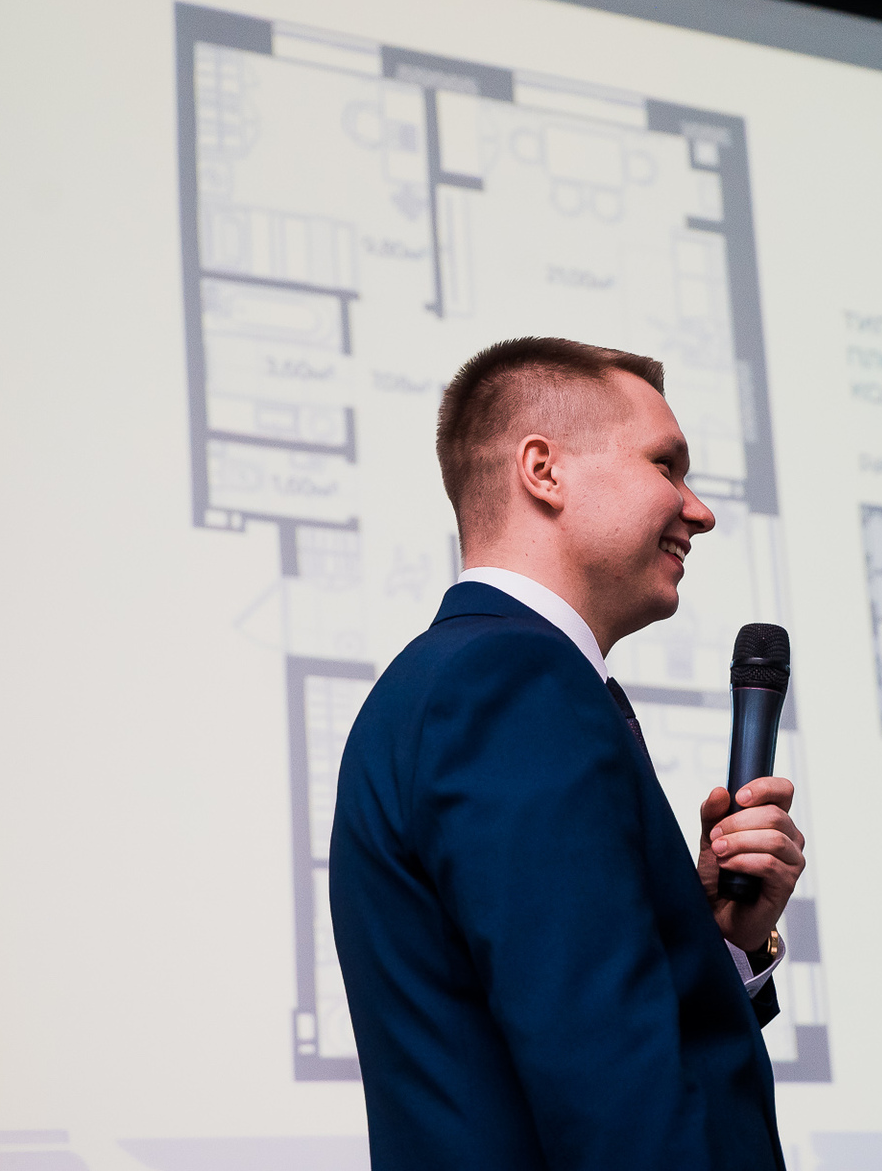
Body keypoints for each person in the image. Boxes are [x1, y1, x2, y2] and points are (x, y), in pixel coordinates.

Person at [330, 337, 806, 1170]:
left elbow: (559, 1021)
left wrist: (719, 944)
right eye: (666, 466)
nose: (700, 511)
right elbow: (610, 1091)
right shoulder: (510, 678)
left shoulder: (452, 679)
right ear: (543, 471)